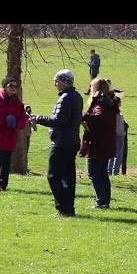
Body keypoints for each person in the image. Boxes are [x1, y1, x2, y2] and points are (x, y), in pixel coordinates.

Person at [29, 69, 83, 217]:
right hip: (72, 141)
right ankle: (69, 209)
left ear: (64, 81)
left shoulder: (65, 98)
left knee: (53, 176)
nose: (55, 84)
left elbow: (58, 121)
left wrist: (38, 118)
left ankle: (63, 208)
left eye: (57, 81)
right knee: (67, 177)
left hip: (62, 143)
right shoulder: (77, 96)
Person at [0, 77, 28, 191]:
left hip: (10, 136)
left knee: (6, 162)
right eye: (11, 86)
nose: (14, 89)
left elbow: (23, 119)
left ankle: (3, 185)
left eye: (15, 86)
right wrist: (4, 120)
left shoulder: (18, 103)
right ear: (5, 87)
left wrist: (16, 123)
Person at [82, 77, 117, 208]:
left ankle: (101, 201)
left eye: (91, 87)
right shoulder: (110, 102)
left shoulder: (99, 103)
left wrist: (85, 118)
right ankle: (105, 201)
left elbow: (98, 117)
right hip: (106, 143)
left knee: (93, 173)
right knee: (102, 173)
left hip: (97, 143)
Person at [107, 96, 127, 175]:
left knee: (111, 154)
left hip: (111, 135)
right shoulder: (118, 114)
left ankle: (109, 171)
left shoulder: (109, 113)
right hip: (119, 135)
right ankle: (115, 171)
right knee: (118, 155)